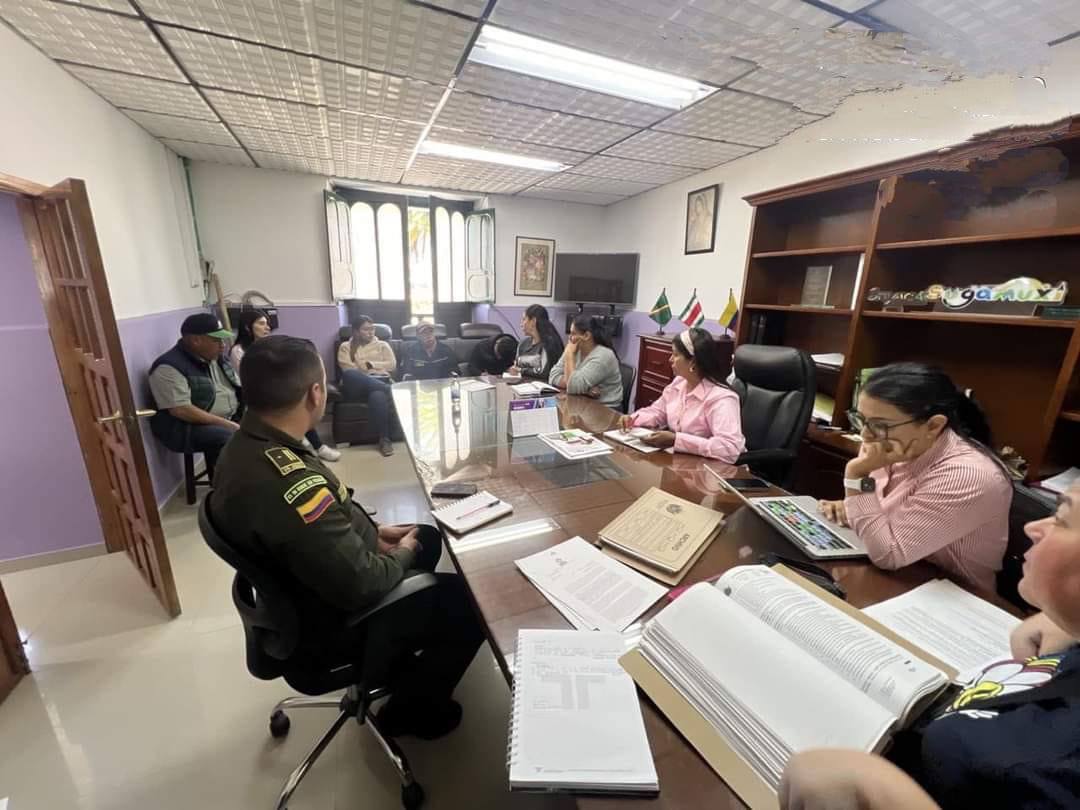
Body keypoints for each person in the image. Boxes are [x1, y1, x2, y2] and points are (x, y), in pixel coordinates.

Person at [210, 335, 484, 740]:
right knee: (470, 601)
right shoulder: (288, 484)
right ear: (314, 393)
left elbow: (329, 513)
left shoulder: (249, 444)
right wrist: (401, 554)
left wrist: (373, 533)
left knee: (426, 536)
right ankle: (411, 712)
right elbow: (364, 582)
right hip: (327, 622)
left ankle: (396, 658)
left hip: (299, 587)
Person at [780, 479, 1080, 810]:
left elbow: (888, 551)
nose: (1033, 528)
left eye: (1061, 519)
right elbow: (864, 519)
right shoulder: (896, 466)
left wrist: (885, 793)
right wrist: (1065, 621)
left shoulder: (965, 475)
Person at [817, 363, 1012, 592]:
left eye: (880, 425)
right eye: (861, 419)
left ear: (933, 426)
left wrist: (856, 476)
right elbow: (883, 518)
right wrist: (851, 506)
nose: (865, 434)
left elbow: (889, 555)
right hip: (897, 574)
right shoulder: (889, 444)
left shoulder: (968, 475)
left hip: (950, 595)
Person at [617, 328, 745, 461]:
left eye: (676, 354)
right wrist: (633, 419)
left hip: (714, 468)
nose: (670, 359)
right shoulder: (679, 383)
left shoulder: (722, 399)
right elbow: (658, 412)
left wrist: (677, 440)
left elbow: (730, 448)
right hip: (682, 461)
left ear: (693, 362)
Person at [231, 309, 340, 462]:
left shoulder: (270, 346)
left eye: (267, 324)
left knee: (300, 399)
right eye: (261, 324)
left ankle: (316, 445)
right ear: (247, 327)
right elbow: (250, 379)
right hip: (257, 395)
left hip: (277, 388)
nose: (267, 327)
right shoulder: (238, 351)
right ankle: (304, 444)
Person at [148, 312, 241, 480]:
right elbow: (181, 410)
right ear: (196, 340)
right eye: (216, 340)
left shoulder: (216, 358)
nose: (223, 345)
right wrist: (228, 424)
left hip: (225, 418)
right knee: (233, 438)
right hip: (184, 428)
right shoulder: (168, 367)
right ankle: (229, 488)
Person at [337, 315, 397, 458]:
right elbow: (347, 369)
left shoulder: (383, 345)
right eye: (366, 329)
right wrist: (372, 371)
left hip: (377, 384)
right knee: (350, 374)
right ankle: (391, 390)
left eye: (372, 329)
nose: (371, 332)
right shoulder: (345, 347)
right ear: (356, 331)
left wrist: (370, 365)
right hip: (356, 387)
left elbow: (392, 365)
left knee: (378, 395)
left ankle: (384, 439)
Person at [549, 314, 623, 410]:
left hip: (605, 409)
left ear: (586, 336)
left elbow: (573, 387)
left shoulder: (603, 356)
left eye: (573, 333)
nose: (570, 338)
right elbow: (553, 375)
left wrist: (569, 356)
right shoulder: (575, 349)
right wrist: (585, 390)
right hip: (582, 403)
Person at [510, 304, 564, 381]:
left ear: (533, 321)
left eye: (524, 319)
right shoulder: (523, 344)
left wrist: (521, 370)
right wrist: (515, 369)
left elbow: (543, 372)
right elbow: (517, 365)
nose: (521, 324)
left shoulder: (549, 344)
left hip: (544, 385)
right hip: (522, 384)